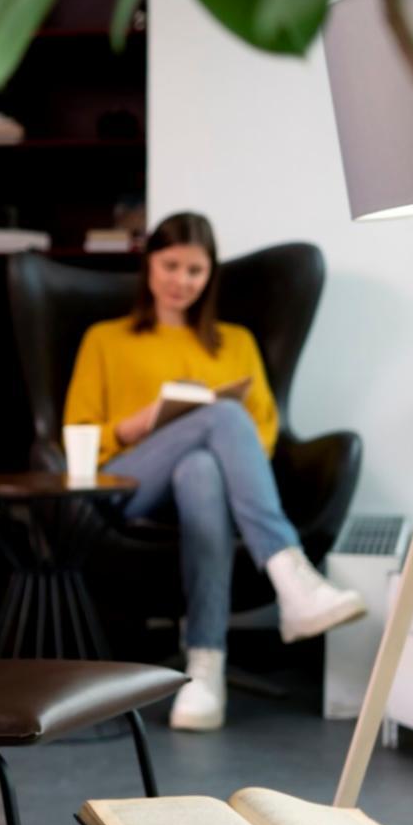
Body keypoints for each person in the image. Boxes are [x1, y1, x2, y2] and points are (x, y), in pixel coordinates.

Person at [63, 212, 365, 731]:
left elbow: (265, 431)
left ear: (210, 276)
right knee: (223, 415)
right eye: (171, 265)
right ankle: (292, 575)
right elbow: (79, 430)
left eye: (195, 270)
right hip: (126, 482)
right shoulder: (105, 339)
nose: (181, 280)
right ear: (149, 265)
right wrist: (137, 425)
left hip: (207, 485)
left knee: (202, 467)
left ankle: (205, 669)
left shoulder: (236, 342)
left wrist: (211, 439)